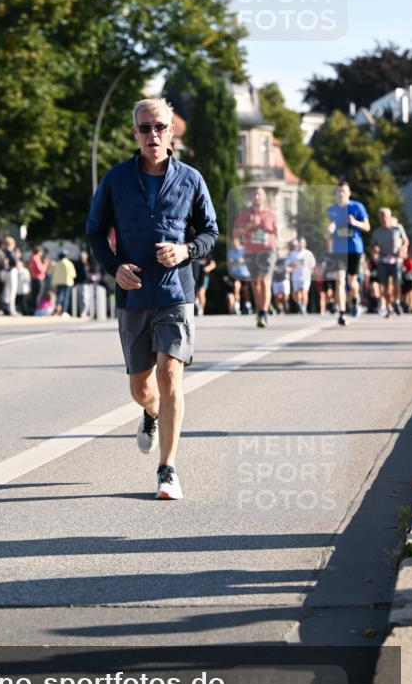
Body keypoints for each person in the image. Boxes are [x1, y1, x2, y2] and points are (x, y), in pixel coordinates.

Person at [86, 97, 218, 500]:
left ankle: (168, 469)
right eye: (144, 128)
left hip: (176, 292)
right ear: (135, 133)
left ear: (171, 131)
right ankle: (150, 413)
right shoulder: (116, 179)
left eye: (159, 126)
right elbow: (95, 231)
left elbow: (210, 232)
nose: (152, 134)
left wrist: (186, 251)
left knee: (171, 374)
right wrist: (115, 268)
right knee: (141, 388)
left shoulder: (191, 179)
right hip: (133, 295)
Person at [233, 186, 277, 327]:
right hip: (251, 251)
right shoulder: (245, 213)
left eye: (259, 194)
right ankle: (261, 309)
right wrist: (250, 226)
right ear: (251, 198)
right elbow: (235, 233)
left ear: (264, 197)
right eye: (254, 195)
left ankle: (263, 312)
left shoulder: (270, 213)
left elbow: (276, 231)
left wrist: (267, 228)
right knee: (255, 283)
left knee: (265, 281)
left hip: (267, 250)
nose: (256, 197)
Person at [327, 181, 370, 325]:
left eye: (343, 191)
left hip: (354, 249)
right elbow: (328, 231)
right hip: (339, 250)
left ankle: (355, 299)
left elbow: (367, 227)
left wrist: (355, 222)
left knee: (352, 281)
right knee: (339, 279)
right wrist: (329, 231)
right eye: (338, 191)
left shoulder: (357, 207)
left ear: (349, 193)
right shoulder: (332, 210)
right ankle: (341, 312)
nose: (340, 194)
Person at [371, 206, 407, 317]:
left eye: (385, 216)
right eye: (381, 216)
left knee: (396, 282)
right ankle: (388, 307)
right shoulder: (377, 232)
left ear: (390, 217)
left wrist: (403, 249)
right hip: (383, 260)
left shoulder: (397, 228)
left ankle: (396, 301)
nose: (383, 219)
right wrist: (375, 253)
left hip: (396, 259)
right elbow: (373, 246)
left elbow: (405, 241)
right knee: (385, 285)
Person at [285, 237, 316, 315]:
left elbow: (312, 265)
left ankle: (304, 307)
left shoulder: (308, 253)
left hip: (305, 276)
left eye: (302, 243)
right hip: (296, 276)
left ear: (305, 244)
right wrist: (290, 268)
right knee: (296, 293)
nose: (301, 244)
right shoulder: (293, 253)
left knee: (304, 291)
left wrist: (311, 271)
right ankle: (299, 304)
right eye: (299, 243)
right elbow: (288, 264)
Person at [51, 249, 77, 315]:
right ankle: (64, 312)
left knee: (59, 297)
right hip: (67, 282)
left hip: (58, 282)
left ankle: (56, 311)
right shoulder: (69, 263)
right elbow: (73, 274)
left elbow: (53, 273)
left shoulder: (57, 263)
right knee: (65, 297)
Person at [28, 245, 48, 310]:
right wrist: (45, 264)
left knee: (35, 295)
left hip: (34, 279)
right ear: (39, 251)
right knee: (38, 296)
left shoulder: (31, 258)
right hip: (38, 279)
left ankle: (34, 309)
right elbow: (41, 269)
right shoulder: (36, 258)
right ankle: (36, 309)